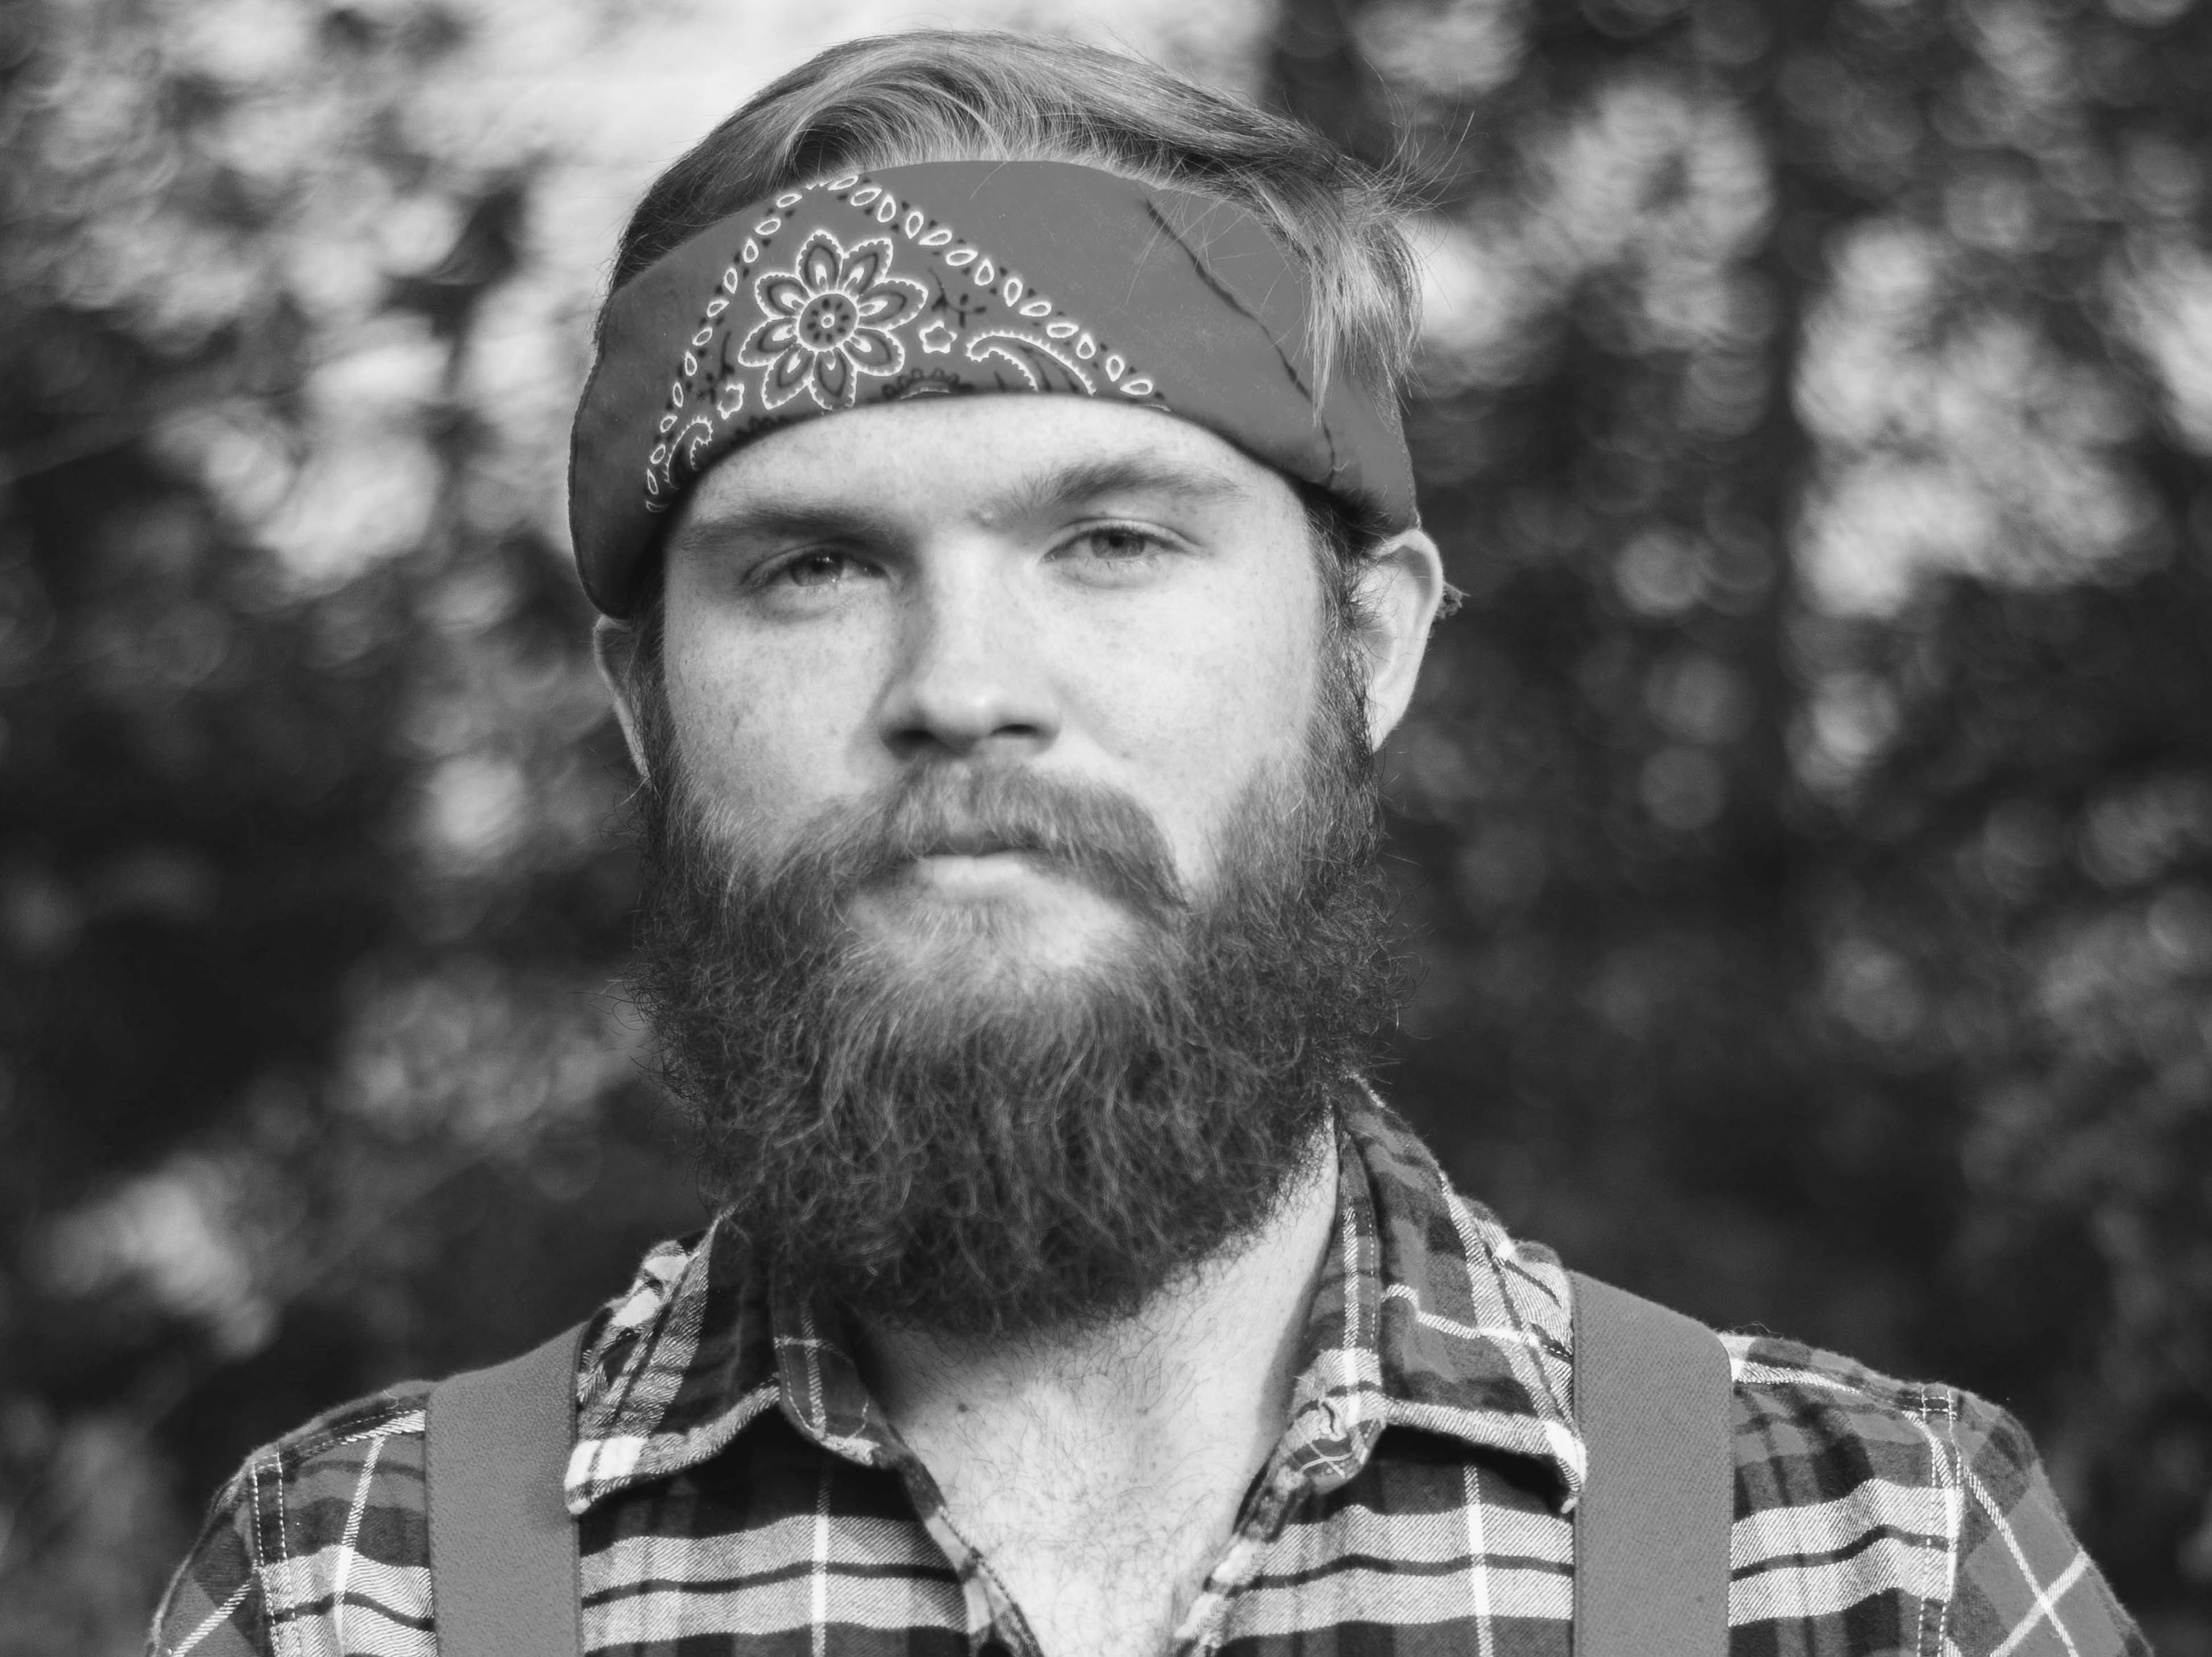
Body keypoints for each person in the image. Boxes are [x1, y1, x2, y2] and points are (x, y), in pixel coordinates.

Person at [148, 30, 2145, 1657]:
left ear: (1368, 646)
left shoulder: (1866, 1567)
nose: (964, 684)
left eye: (1110, 540)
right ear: (643, 704)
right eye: (816, 566)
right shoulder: (354, 1595)